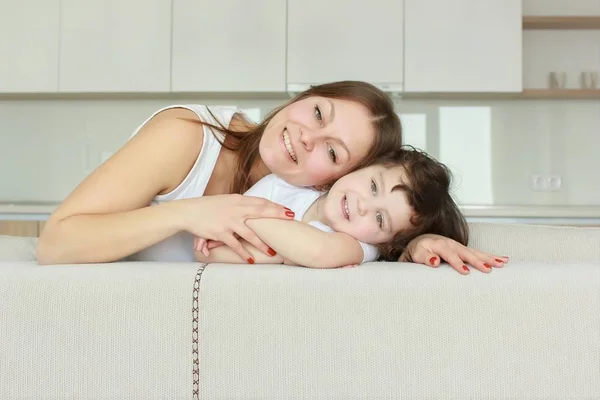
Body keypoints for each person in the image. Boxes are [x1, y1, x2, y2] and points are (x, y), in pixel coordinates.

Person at [36, 80, 507, 274]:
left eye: (332, 150)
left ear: (339, 177)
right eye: (319, 112)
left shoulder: (313, 202)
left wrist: (417, 247)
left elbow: (365, 226)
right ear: (305, 95)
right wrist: (191, 214)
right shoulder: (186, 135)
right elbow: (55, 243)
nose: (306, 138)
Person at [193, 147, 474, 270]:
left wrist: (248, 219)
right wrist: (284, 252)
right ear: (364, 166)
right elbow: (207, 249)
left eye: (380, 218)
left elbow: (318, 251)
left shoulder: (359, 246)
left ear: (387, 244)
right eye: (374, 186)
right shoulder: (282, 185)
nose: (363, 205)